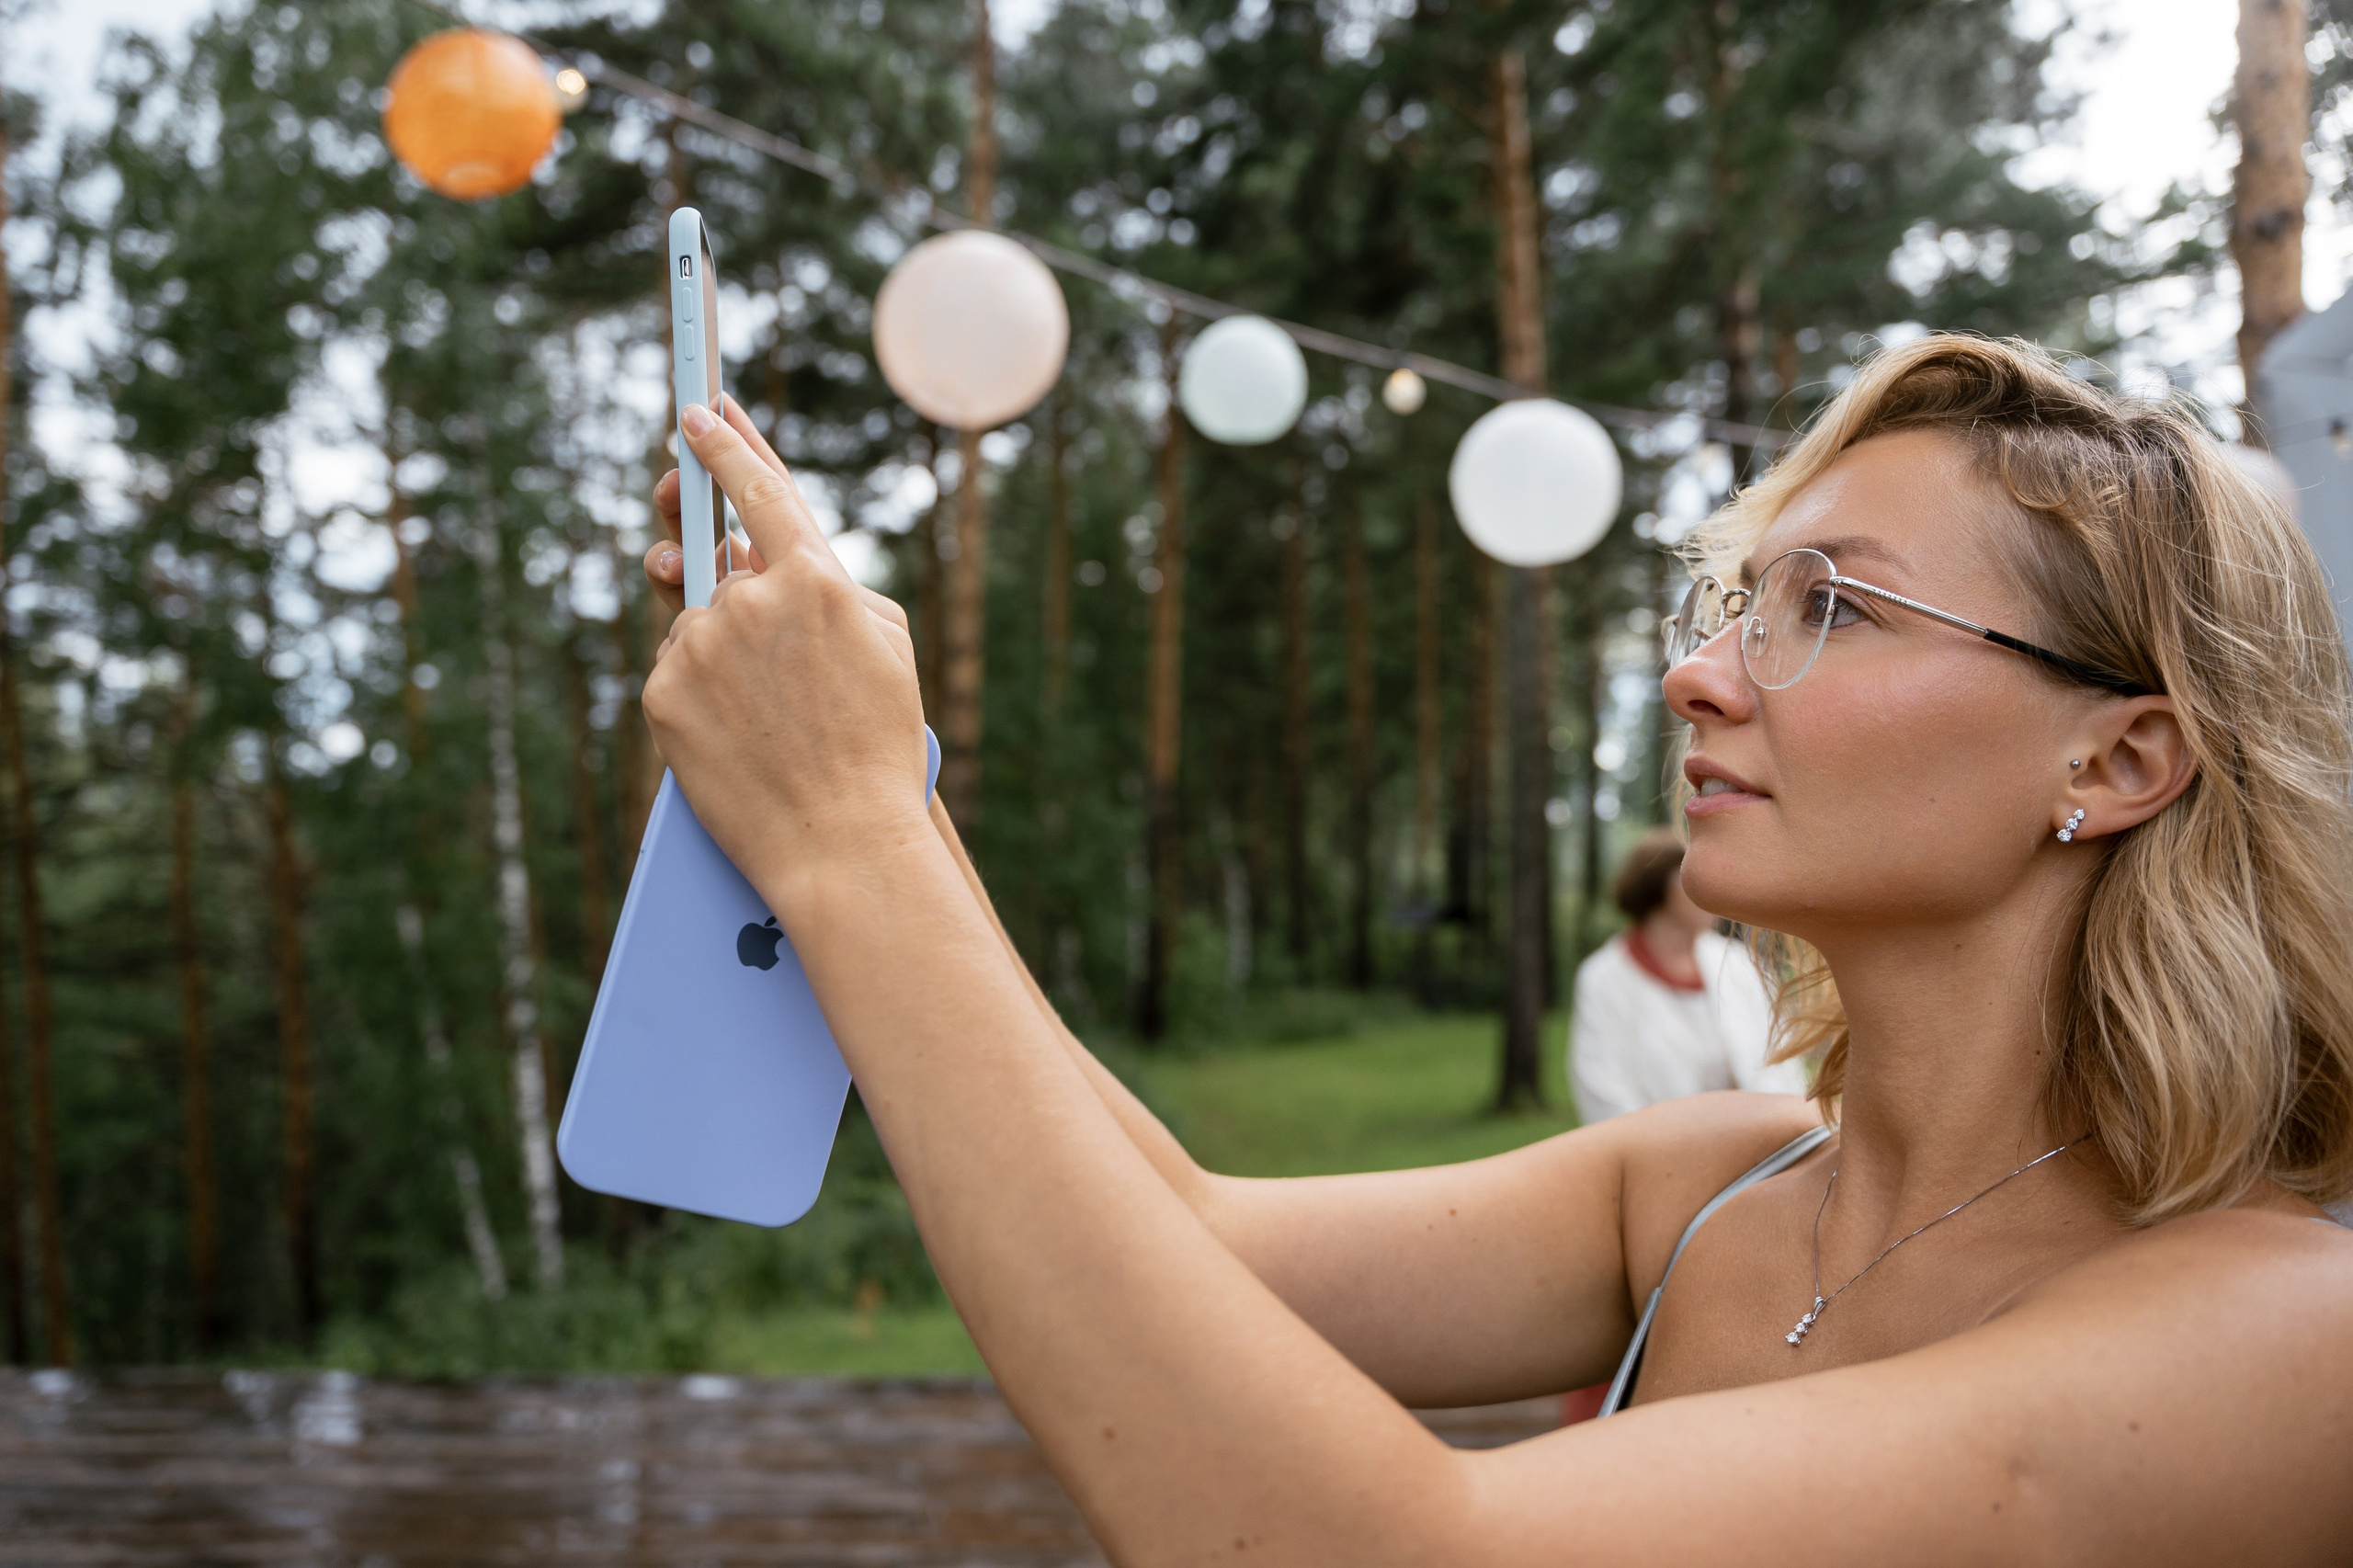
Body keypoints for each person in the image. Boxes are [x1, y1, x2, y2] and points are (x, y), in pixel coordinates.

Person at [638, 335, 2353, 1563]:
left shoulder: (2283, 1333)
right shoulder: (1720, 1189)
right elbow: (1181, 1237)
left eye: (1831, 605)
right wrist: (869, 774)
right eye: (1737, 602)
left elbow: (1387, 1544)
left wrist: (850, 833)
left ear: (2120, 758)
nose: (1702, 671)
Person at [1569, 829, 1807, 1122]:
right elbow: (1604, 1095)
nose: (1715, 888)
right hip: (1660, 1158)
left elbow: (1783, 1062)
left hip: (1764, 1152)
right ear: (1655, 887)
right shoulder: (1604, 979)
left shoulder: (1738, 964)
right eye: (1694, 875)